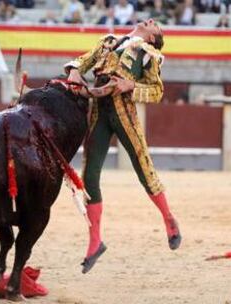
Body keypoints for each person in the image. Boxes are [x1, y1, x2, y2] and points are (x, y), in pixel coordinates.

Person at [65, 18, 181, 274]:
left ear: (153, 38)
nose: (151, 20)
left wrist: (131, 85)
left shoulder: (149, 53)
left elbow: (157, 91)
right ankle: (95, 241)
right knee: (89, 176)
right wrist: (74, 70)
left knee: (142, 165)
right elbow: (83, 61)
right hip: (98, 109)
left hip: (123, 109)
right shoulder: (107, 41)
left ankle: (168, 218)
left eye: (156, 26)